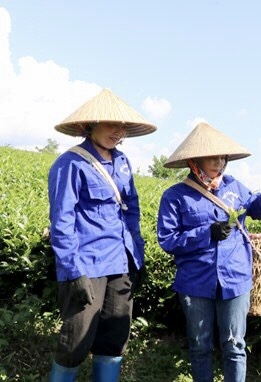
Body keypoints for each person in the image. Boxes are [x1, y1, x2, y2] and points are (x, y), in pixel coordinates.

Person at [156, 122, 261, 382]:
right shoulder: (175, 196)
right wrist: (205, 234)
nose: (219, 161)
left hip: (235, 279)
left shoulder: (235, 187)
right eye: (212, 156)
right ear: (194, 160)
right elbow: (168, 240)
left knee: (235, 345)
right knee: (200, 345)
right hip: (195, 281)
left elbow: (254, 210)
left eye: (223, 156)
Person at [47, 88, 156, 381]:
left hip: (121, 263)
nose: (118, 132)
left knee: (113, 339)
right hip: (87, 264)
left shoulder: (122, 163)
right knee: (75, 341)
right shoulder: (70, 164)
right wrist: (73, 272)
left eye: (122, 127)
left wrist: (137, 258)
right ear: (90, 125)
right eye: (111, 124)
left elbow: (131, 213)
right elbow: (62, 221)